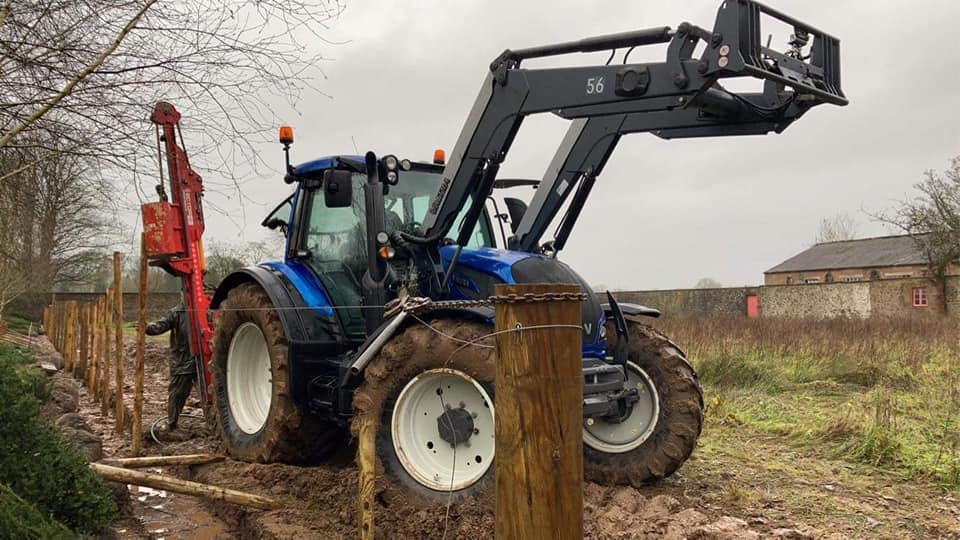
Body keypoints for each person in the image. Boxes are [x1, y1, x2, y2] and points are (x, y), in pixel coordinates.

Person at [145, 299, 196, 431]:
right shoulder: (176, 313)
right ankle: (172, 423)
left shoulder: (204, 309)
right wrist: (147, 327)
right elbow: (160, 326)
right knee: (178, 393)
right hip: (182, 361)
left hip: (202, 360)